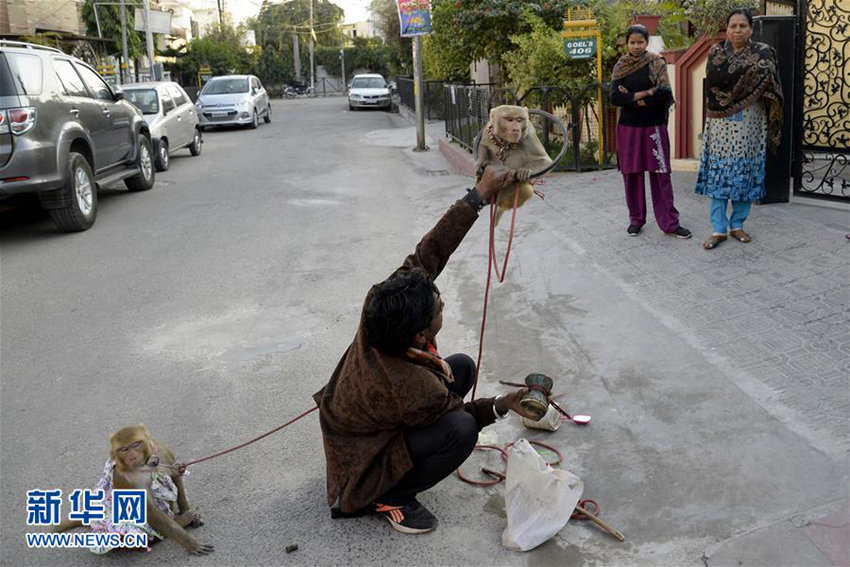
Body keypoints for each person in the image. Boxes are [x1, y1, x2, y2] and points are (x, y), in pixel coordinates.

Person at [313, 165, 538, 535]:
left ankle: (406, 462)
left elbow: (429, 252)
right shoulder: (412, 386)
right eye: (439, 308)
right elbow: (464, 414)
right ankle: (388, 497)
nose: (441, 301)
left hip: (359, 417)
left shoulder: (381, 304)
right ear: (420, 335)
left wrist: (478, 196)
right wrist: (504, 403)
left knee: (461, 367)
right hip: (359, 457)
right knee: (461, 429)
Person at [695, 8, 783, 250]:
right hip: (721, 123)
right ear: (727, 28)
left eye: (742, 26)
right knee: (719, 172)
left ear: (751, 29)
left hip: (751, 121)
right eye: (733, 26)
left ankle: (737, 225)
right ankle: (718, 229)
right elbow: (714, 86)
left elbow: (773, 85)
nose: (737, 30)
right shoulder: (716, 53)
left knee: (745, 169)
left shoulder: (763, 53)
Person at [610, 24, 692, 239]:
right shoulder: (621, 66)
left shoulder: (656, 63)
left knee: (660, 175)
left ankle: (670, 223)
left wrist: (633, 98)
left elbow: (664, 94)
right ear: (626, 43)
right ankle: (636, 220)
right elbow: (614, 97)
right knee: (632, 175)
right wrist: (645, 95)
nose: (636, 46)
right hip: (628, 129)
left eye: (640, 42)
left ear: (647, 42)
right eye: (632, 42)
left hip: (654, 127)